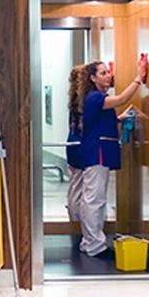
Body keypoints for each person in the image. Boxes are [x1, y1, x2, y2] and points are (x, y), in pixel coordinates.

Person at [77, 56, 148, 257]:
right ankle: (94, 245)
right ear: (92, 78)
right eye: (103, 73)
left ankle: (89, 241)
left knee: (93, 198)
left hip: (97, 151)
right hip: (96, 153)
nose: (108, 76)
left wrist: (119, 118)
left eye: (108, 73)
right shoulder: (95, 97)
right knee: (94, 200)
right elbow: (121, 99)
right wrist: (138, 78)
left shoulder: (96, 98)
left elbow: (99, 121)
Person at [65, 64, 87, 228]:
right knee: (80, 188)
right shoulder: (85, 99)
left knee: (75, 185)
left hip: (72, 145)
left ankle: (74, 219)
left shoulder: (74, 98)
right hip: (80, 147)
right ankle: (76, 223)